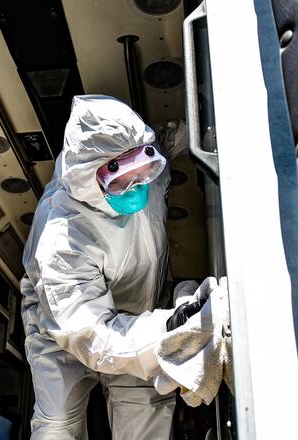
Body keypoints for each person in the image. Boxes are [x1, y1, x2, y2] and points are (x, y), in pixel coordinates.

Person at [20, 95, 202, 439]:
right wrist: (174, 327)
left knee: (145, 418)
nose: (137, 187)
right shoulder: (61, 241)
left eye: (146, 173)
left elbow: (174, 136)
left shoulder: (136, 153)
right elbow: (96, 341)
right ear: (89, 179)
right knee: (58, 426)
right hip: (66, 327)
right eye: (120, 182)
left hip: (140, 311)